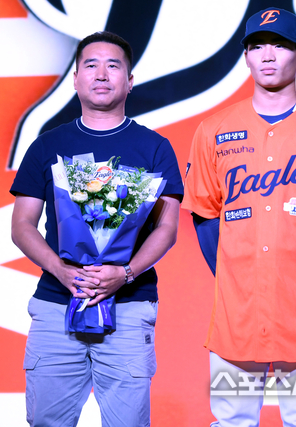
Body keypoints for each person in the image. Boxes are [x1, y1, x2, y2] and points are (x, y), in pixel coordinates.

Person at [183, 7, 296, 426]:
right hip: (236, 313)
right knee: (233, 419)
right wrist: (235, 273)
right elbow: (205, 215)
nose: (267, 55)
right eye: (257, 46)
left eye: (280, 45)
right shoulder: (213, 130)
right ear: (246, 57)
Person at [10, 31, 183, 427]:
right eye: (91, 65)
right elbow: (22, 225)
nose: (101, 74)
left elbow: (167, 227)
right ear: (75, 79)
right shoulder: (46, 145)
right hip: (57, 304)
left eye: (113, 66)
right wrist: (61, 270)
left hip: (130, 305)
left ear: (130, 81)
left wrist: (125, 273)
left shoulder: (155, 147)